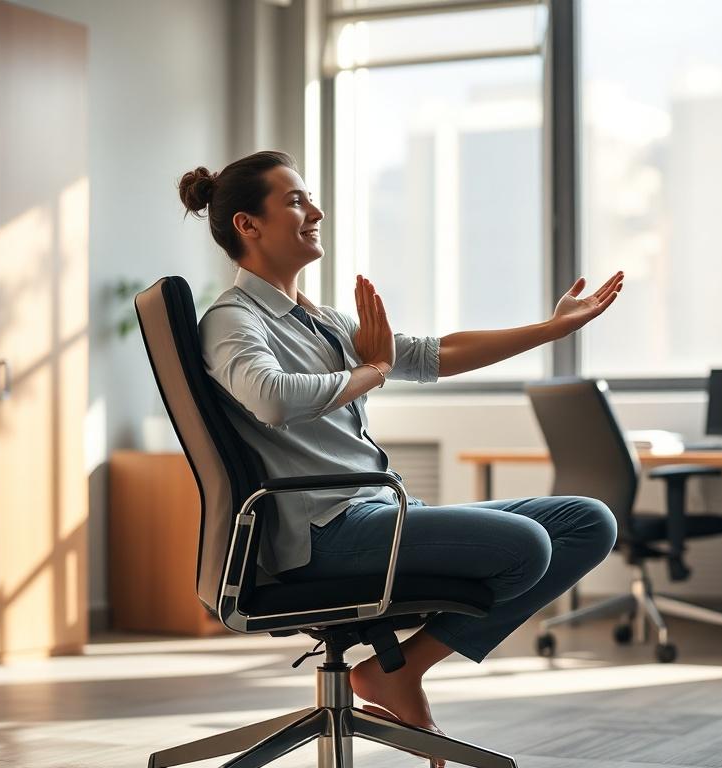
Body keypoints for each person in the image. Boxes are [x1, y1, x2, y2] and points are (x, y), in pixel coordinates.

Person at [182, 150, 623, 747]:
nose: (316, 212)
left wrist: (553, 329)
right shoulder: (233, 320)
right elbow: (273, 398)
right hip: (323, 533)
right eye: (294, 201)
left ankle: (400, 670)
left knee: (588, 521)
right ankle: (399, 673)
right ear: (247, 224)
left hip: (379, 514)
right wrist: (375, 370)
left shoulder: (323, 321)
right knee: (527, 546)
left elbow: (438, 354)